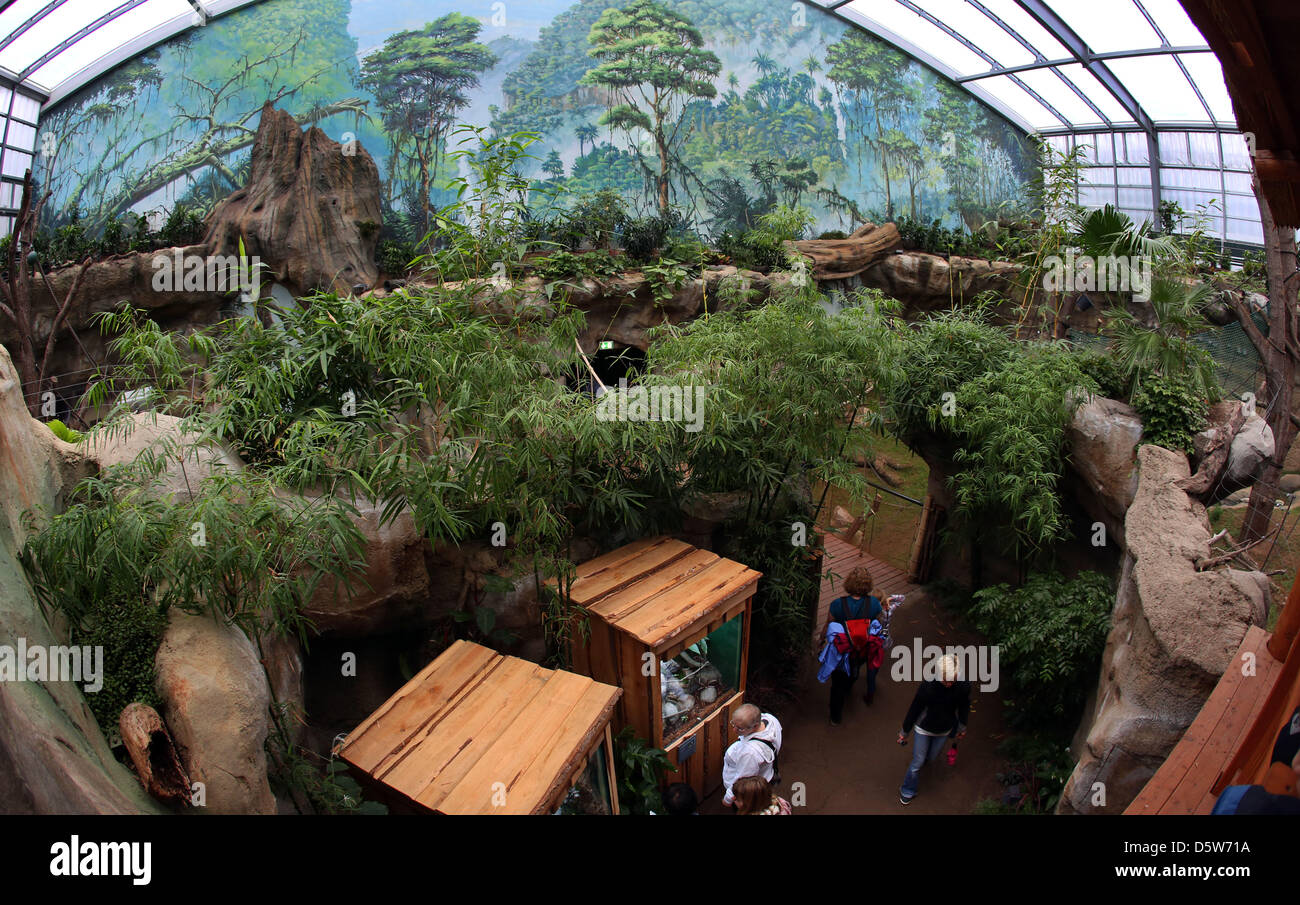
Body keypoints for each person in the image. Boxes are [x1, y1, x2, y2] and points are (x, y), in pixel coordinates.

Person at [897, 653, 970, 805]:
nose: (949, 683)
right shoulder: (928, 685)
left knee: (931, 757)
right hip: (924, 728)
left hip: (945, 729)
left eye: (952, 680)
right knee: (918, 761)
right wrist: (905, 731)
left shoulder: (963, 686)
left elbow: (964, 707)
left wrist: (962, 727)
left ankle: (925, 759)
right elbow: (915, 708)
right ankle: (908, 789)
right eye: (945, 680)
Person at [825, 567, 883, 725]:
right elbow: (878, 624)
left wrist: (822, 643)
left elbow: (829, 625)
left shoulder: (837, 604)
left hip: (841, 651)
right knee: (854, 670)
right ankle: (849, 684)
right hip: (861, 649)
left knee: (837, 684)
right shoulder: (875, 604)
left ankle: (835, 717)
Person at [721, 703, 783, 806]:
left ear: (755, 726)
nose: (734, 730)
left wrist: (728, 799)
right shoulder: (770, 719)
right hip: (766, 775)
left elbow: (741, 782)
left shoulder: (749, 753)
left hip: (748, 793)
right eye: (733, 724)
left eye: (740, 728)